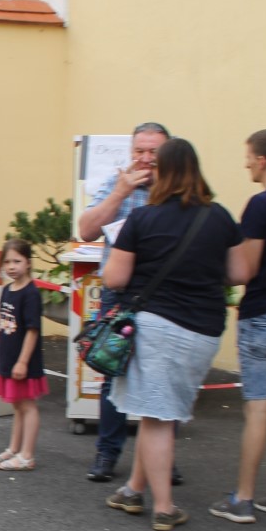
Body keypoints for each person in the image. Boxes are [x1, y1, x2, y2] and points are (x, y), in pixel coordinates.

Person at [102, 138, 242, 531]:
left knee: (158, 416)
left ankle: (163, 507)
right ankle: (132, 489)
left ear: (161, 172)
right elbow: (238, 273)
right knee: (156, 410)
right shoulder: (219, 217)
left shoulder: (144, 219)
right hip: (204, 330)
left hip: (156, 325)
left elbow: (114, 277)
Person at [78, 122, 174, 483]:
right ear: (131, 153)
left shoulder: (177, 191)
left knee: (162, 380)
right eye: (140, 151)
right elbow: (86, 229)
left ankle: (165, 461)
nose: (146, 159)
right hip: (119, 298)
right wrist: (119, 194)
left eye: (154, 152)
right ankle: (107, 453)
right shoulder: (116, 186)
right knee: (110, 374)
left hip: (164, 299)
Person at [210, 128, 266, 523]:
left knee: (258, 408)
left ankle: (243, 498)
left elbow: (247, 269)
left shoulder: (261, 206)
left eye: (248, 156)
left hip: (263, 314)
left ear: (262, 160)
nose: (245, 163)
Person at [0, 238, 48, 471]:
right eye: (7, 262)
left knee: (28, 406)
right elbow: (8, 322)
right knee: (17, 406)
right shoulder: (8, 290)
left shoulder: (31, 294)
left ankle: (27, 455)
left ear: (28, 263)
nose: (11, 266)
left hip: (23, 360)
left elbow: (32, 330)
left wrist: (23, 362)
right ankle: (14, 449)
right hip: (10, 357)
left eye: (17, 261)